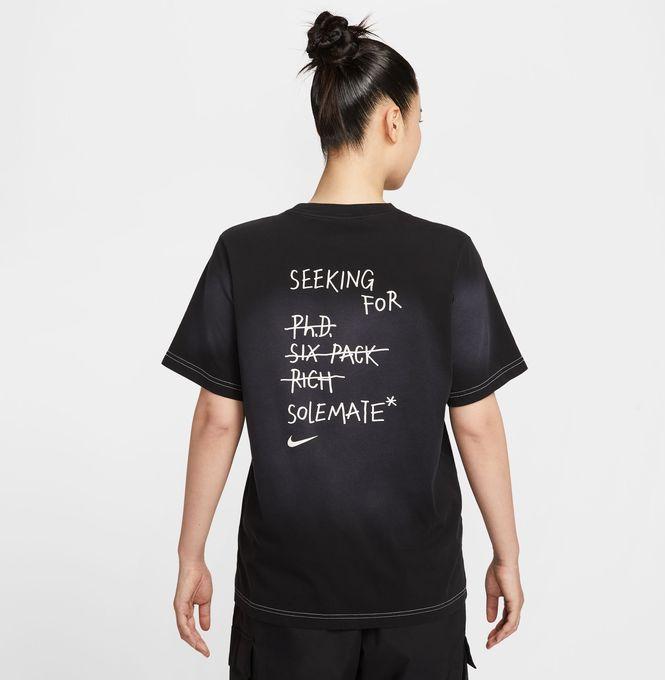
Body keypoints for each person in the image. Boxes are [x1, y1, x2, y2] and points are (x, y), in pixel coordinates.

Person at [163, 11, 527, 679]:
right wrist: (508, 555)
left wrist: (190, 556)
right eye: (419, 120)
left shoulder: (244, 253)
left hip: (287, 594)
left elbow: (217, 417)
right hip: (417, 591)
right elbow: (476, 423)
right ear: (391, 121)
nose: (419, 136)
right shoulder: (447, 256)